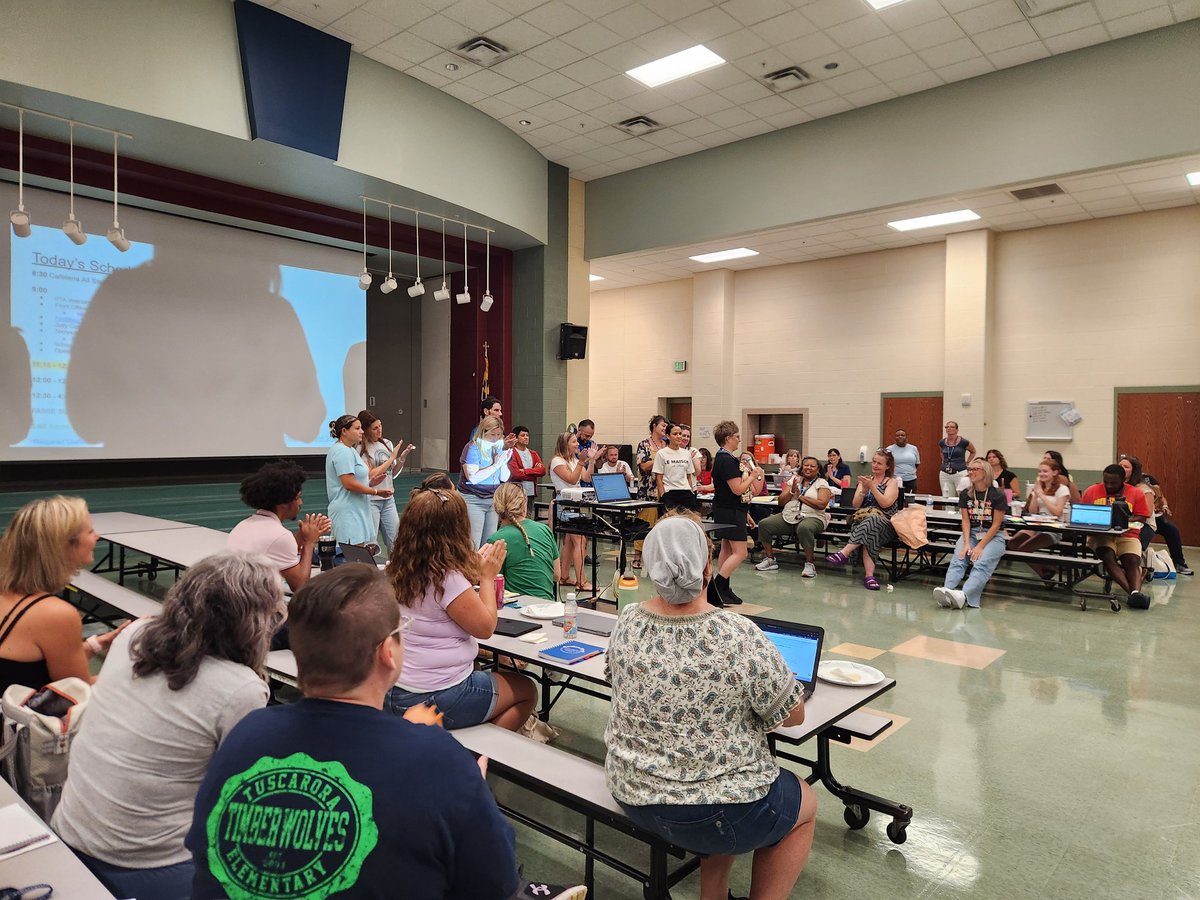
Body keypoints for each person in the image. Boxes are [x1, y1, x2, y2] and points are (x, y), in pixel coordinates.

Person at [186, 565, 585, 900]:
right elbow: (493, 884)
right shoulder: (438, 761)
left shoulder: (245, 734)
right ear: (388, 652)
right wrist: (466, 788)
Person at [605, 514, 816, 900]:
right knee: (802, 801)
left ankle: (713, 894)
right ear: (707, 565)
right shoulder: (737, 633)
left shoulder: (628, 620)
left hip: (632, 789)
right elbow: (793, 715)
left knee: (714, 777)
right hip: (717, 810)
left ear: (651, 568)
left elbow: (616, 679)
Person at [54, 551, 281, 899]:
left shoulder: (138, 634)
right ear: (254, 622)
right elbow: (245, 798)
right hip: (150, 865)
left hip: (71, 830)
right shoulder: (241, 689)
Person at [383, 486, 537, 729]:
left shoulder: (396, 569)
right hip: (435, 696)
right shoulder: (448, 579)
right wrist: (487, 577)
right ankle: (480, 755)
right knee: (526, 689)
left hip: (394, 688)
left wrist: (470, 569)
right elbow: (486, 627)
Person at [0, 496, 125, 696]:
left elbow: (40, 664)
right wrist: (138, 672)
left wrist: (98, 643)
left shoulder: (9, 594)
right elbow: (79, 692)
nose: (98, 536)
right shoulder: (55, 614)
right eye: (91, 531)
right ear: (65, 546)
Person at [228, 459, 331, 592]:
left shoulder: (243, 525)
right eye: (298, 497)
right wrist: (309, 543)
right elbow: (301, 587)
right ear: (283, 503)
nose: (301, 502)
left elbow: (274, 550)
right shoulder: (280, 535)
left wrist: (301, 537)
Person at [933, 459, 1008, 609]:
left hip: (993, 536)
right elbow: (966, 522)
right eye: (970, 469)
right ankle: (947, 592)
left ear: (985, 472)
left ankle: (964, 596)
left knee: (981, 563)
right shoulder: (966, 494)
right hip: (972, 533)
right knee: (959, 558)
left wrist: (980, 546)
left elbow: (996, 525)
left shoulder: (998, 495)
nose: (971, 472)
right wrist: (966, 543)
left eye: (975, 469)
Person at [826, 450, 902, 591]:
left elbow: (885, 503)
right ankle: (869, 576)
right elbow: (855, 504)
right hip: (864, 523)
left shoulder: (892, 482)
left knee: (872, 521)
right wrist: (863, 489)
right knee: (870, 528)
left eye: (879, 463)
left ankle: (845, 552)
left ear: (887, 466)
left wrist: (871, 487)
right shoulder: (866, 480)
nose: (875, 465)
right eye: (874, 462)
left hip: (886, 523)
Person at [1080, 465, 1153, 610]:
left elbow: (1143, 517)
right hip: (1101, 536)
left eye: (1113, 483)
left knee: (1131, 560)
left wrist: (1123, 520)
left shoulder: (1135, 493)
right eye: (1106, 481)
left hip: (1128, 535)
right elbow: (1083, 513)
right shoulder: (1092, 491)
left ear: (1122, 480)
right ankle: (1134, 594)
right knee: (1107, 556)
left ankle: (1134, 594)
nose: (1108, 485)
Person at [709, 420, 764, 606]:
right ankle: (716, 587)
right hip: (730, 510)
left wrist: (744, 511)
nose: (740, 440)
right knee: (741, 553)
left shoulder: (723, 458)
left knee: (727, 549)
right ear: (728, 438)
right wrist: (754, 474)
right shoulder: (727, 460)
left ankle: (724, 588)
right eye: (737, 437)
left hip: (729, 509)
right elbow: (738, 489)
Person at [756, 456, 831, 578]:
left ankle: (809, 564)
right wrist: (791, 492)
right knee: (764, 524)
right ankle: (770, 560)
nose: (808, 468)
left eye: (812, 466)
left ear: (818, 470)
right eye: (806, 465)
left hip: (813, 517)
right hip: (789, 515)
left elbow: (822, 504)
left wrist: (800, 496)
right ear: (802, 467)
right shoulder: (794, 480)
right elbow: (781, 502)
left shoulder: (822, 483)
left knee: (804, 527)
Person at [327, 414, 391, 546]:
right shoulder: (342, 451)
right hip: (348, 513)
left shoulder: (350, 450)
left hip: (356, 510)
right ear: (344, 431)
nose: (362, 431)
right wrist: (375, 492)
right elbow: (348, 483)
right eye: (357, 428)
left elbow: (356, 479)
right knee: (351, 560)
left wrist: (370, 482)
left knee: (358, 556)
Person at [549, 431, 602, 591]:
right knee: (580, 540)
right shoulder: (557, 461)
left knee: (571, 543)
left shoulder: (573, 459)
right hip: (564, 506)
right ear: (565, 444)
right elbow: (571, 479)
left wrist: (591, 461)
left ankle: (564, 576)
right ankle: (581, 581)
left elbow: (585, 478)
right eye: (574, 442)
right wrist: (581, 462)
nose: (577, 444)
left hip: (575, 504)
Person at [489, 483, 559, 602]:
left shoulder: (497, 539)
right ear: (525, 505)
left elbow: (491, 582)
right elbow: (556, 575)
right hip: (548, 605)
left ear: (496, 507)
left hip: (517, 609)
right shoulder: (544, 529)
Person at [1007, 459, 1071, 584]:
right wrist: (1035, 495)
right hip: (1036, 525)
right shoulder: (1038, 487)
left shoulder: (1062, 489)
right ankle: (1047, 570)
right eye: (1040, 471)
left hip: (1053, 528)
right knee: (1013, 543)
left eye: (1045, 471)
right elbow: (1033, 511)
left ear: (1055, 472)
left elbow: (1058, 512)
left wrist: (1041, 495)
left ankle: (1045, 574)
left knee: (1024, 549)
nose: (1042, 474)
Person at [358, 409, 414, 551]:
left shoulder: (387, 444)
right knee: (371, 542)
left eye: (380, 426)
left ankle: (396, 570)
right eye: (374, 428)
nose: (379, 430)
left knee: (396, 541)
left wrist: (401, 458)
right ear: (365, 430)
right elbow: (370, 475)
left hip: (388, 499)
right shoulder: (360, 448)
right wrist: (390, 459)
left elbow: (392, 473)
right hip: (371, 500)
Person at [459, 415, 516, 547]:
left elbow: (504, 478)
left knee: (489, 543)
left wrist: (503, 462)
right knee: (473, 543)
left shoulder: (498, 447)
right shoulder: (472, 447)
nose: (495, 438)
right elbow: (473, 478)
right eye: (492, 434)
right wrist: (496, 465)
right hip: (473, 499)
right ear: (483, 432)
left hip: (492, 498)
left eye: (499, 434)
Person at [1138, 471, 1193, 576]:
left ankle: (1179, 563)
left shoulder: (1147, 479)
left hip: (1153, 516)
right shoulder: (1121, 481)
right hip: (1136, 518)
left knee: (1172, 529)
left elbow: (1161, 496)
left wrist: (1165, 506)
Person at [653, 422, 700, 510]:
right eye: (675, 434)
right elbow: (658, 478)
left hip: (685, 492)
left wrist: (690, 491)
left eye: (680, 434)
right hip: (670, 492)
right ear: (668, 436)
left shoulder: (686, 453)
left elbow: (689, 476)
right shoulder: (661, 453)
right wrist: (663, 495)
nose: (679, 436)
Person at [1117, 454, 1158, 554]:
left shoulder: (1144, 489)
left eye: (1125, 467)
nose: (1121, 468)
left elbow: (1146, 514)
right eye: (1120, 465)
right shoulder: (1115, 486)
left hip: (1144, 525)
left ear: (1133, 472)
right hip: (1122, 523)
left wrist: (1124, 520)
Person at [507, 424, 547, 515]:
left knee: (528, 516)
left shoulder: (533, 453)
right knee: (516, 515)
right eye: (522, 435)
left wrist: (525, 470)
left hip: (530, 492)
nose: (526, 438)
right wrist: (534, 473)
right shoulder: (512, 453)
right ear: (516, 438)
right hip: (516, 492)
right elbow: (516, 474)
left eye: (527, 435)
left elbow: (542, 470)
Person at [937, 421, 976, 497]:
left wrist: (967, 462)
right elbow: (941, 452)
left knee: (962, 495)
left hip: (959, 472)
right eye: (947, 427)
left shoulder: (963, 442)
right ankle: (948, 509)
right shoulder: (942, 442)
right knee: (947, 496)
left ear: (957, 430)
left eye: (952, 427)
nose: (949, 428)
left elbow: (973, 451)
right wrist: (943, 461)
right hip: (945, 473)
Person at [575, 418, 596, 487]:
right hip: (576, 481)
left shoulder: (591, 444)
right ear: (579, 431)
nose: (588, 438)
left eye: (591, 436)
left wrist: (601, 458)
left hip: (589, 481)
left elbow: (598, 466)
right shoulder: (572, 444)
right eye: (587, 435)